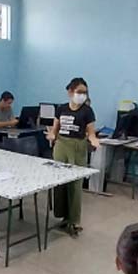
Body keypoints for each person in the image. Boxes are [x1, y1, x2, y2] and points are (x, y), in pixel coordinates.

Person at [48, 77, 101, 237]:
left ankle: (73, 221)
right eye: (79, 92)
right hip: (61, 146)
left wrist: (94, 140)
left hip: (78, 147)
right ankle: (62, 217)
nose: (82, 95)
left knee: (75, 185)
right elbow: (55, 128)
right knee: (59, 183)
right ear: (70, 92)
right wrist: (51, 135)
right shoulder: (61, 108)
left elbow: (91, 132)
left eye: (85, 93)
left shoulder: (87, 111)